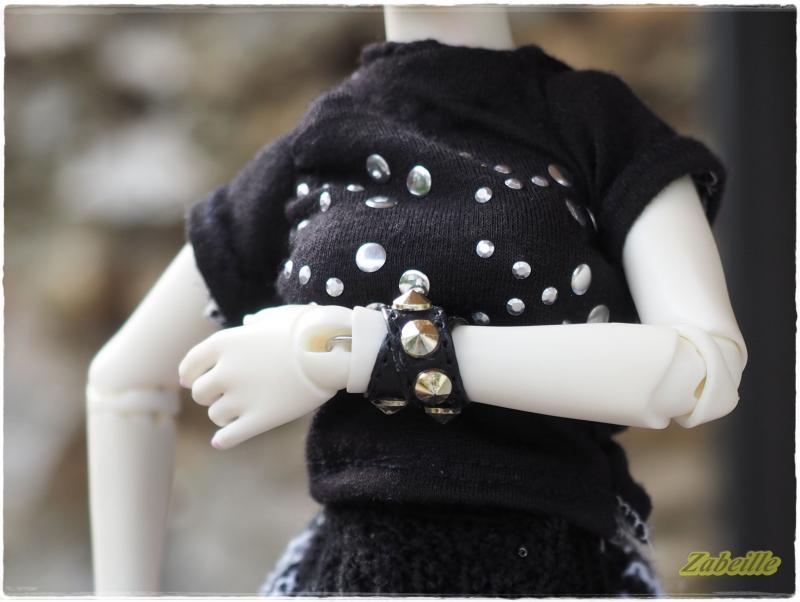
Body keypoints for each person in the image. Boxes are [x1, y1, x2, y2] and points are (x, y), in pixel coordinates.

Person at [87, 6, 747, 596]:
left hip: (554, 561)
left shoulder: (594, 123)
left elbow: (703, 368)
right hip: (360, 572)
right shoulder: (318, 144)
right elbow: (124, 380)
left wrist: (356, 353)